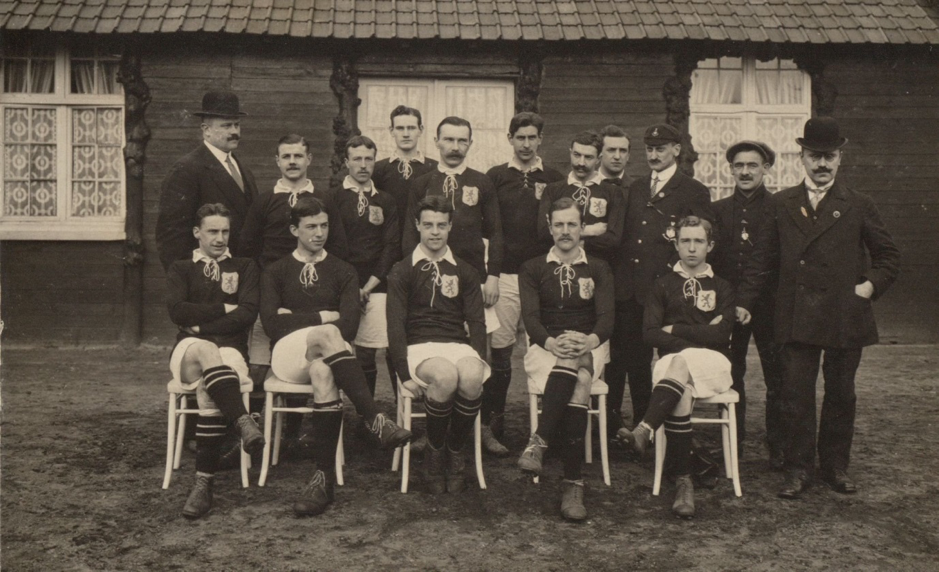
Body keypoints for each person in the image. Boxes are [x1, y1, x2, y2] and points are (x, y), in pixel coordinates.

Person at [737, 117, 900, 499]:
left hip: (845, 313)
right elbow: (762, 260)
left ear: (839, 159)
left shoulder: (859, 204)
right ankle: (798, 470)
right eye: (814, 156)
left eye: (829, 156)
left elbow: (888, 256)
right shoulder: (781, 203)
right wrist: (744, 302)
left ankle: (835, 467)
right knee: (795, 394)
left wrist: (868, 287)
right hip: (796, 315)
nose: (821, 164)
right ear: (802, 157)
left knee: (841, 393)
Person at [260, 196, 411, 517]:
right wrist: (323, 316)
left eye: (324, 225)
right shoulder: (276, 271)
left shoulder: (343, 270)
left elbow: (349, 325)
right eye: (311, 227)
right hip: (287, 358)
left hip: (327, 357)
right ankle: (374, 418)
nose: (319, 233)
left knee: (324, 372)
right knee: (328, 333)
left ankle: (322, 477)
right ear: (293, 230)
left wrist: (298, 315)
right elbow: (273, 325)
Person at [238, 134, 348, 458]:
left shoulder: (324, 199)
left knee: (309, 357)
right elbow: (247, 247)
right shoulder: (264, 200)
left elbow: (338, 245)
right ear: (277, 161)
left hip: (312, 292)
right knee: (261, 362)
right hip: (272, 292)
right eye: (286, 156)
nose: (292, 162)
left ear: (309, 159)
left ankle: (298, 430)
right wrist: (263, 289)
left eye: (298, 156)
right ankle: (260, 429)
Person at [618, 216, 735, 518]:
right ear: (676, 244)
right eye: (685, 241)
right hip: (671, 363)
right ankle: (684, 483)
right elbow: (650, 333)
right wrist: (697, 332)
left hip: (714, 362)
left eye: (698, 241)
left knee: (681, 365)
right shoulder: (662, 284)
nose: (692, 248)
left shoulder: (722, 286)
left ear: (710, 245)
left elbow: (722, 335)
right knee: (680, 383)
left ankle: (645, 428)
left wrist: (675, 329)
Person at [609, 124, 713, 440]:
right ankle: (629, 429)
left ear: (676, 151)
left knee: (666, 362)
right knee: (628, 361)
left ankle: (657, 429)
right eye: (650, 149)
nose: (654, 155)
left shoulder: (693, 190)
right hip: (631, 289)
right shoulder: (637, 187)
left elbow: (702, 239)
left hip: (668, 291)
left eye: (661, 148)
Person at [164, 203, 265, 519]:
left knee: (212, 381)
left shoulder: (245, 267)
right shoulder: (181, 269)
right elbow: (177, 312)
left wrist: (201, 323)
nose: (220, 238)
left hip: (231, 351)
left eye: (225, 231)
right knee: (207, 351)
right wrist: (224, 309)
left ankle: (203, 484)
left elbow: (247, 313)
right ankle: (243, 421)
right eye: (213, 231)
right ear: (197, 233)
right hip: (188, 351)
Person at [516, 198, 614, 521]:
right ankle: (574, 483)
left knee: (578, 365)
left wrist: (588, 340)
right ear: (549, 228)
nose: (565, 231)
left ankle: (539, 440)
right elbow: (530, 319)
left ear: (582, 227)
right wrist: (552, 342)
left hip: (591, 344)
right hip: (545, 349)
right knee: (579, 379)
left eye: (572, 224)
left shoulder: (597, 267)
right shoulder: (532, 267)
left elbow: (607, 318)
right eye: (558, 224)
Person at [386, 196, 490, 495]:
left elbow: (477, 323)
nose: (435, 232)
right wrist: (403, 374)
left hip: (457, 344)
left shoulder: (465, 271)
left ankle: (454, 451)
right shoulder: (402, 270)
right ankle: (433, 454)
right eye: (428, 225)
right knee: (445, 376)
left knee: (470, 376)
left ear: (450, 227)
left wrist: (480, 359)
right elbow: (395, 326)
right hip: (420, 347)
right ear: (417, 225)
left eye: (441, 226)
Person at [482, 112, 564, 455]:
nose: (526, 144)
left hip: (543, 276)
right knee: (500, 354)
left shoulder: (555, 178)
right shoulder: (496, 176)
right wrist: (494, 273)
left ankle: (548, 429)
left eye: (532, 137)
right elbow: (491, 230)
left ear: (540, 139)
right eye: (521, 137)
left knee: (545, 348)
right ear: (510, 138)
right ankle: (492, 424)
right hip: (506, 276)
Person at [711, 140, 782, 467]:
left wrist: (749, 299)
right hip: (730, 307)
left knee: (777, 375)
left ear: (766, 169)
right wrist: (728, 302)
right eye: (739, 165)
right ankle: (732, 441)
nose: (745, 172)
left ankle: (778, 443)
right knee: (730, 372)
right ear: (731, 169)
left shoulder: (779, 208)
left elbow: (768, 259)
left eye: (752, 165)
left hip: (769, 307)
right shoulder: (720, 210)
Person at [403, 116, 504, 334]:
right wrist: (414, 274)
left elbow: (496, 231)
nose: (455, 147)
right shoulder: (422, 183)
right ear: (436, 141)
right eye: (448, 140)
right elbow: (410, 233)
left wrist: (494, 276)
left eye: (462, 141)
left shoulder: (482, 182)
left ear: (470, 143)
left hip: (474, 273)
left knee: (477, 337)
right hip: (429, 273)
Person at [331, 136, 401, 410]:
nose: (363, 165)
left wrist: (369, 286)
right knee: (355, 353)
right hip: (343, 287)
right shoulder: (333, 197)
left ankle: (392, 412)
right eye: (357, 159)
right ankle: (364, 414)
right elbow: (333, 245)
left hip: (376, 285)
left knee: (382, 348)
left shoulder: (385, 200)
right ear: (346, 162)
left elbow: (391, 246)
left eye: (368, 159)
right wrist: (350, 289)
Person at [157, 91, 259, 270]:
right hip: (206, 279)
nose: (235, 132)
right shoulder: (187, 170)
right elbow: (171, 237)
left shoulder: (243, 169)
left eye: (237, 125)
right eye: (227, 126)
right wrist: (189, 281)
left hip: (243, 276)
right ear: (206, 130)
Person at [537, 131, 625, 266]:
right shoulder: (553, 190)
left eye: (588, 157)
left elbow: (613, 239)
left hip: (597, 268)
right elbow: (543, 233)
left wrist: (568, 239)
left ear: (599, 158)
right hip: (558, 266)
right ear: (570, 152)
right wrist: (590, 231)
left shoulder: (612, 192)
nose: (581, 163)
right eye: (577, 155)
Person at [597, 124, 632, 193]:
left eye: (623, 151)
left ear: (628, 156)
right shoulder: (586, 184)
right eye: (611, 150)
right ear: (599, 153)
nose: (617, 157)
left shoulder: (637, 189)